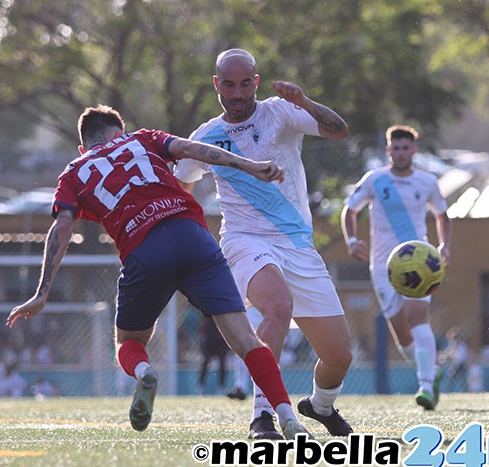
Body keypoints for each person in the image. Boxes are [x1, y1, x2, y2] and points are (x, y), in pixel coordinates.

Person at [6, 104, 311, 439]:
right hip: (193, 235)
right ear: (119, 133)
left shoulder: (74, 171)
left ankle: (144, 371)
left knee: (129, 340)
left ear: (83, 147)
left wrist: (43, 290)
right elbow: (192, 149)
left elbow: (62, 226)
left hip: (145, 248)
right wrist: (249, 165)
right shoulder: (142, 139)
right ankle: (286, 416)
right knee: (245, 340)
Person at [175, 48, 354, 438]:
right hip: (245, 241)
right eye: (229, 84)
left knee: (339, 356)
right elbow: (181, 187)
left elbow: (339, 129)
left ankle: (320, 406)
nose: (237, 93)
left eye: (244, 84)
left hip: (298, 247)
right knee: (276, 307)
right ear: (216, 84)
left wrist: (303, 100)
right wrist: (188, 239)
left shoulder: (280, 112)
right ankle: (262, 415)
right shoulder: (206, 137)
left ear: (255, 82)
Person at [341, 125, 451, 410]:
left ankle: (426, 385)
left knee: (419, 319)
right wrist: (352, 240)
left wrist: (444, 245)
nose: (401, 153)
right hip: (384, 266)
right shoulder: (375, 180)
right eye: (396, 148)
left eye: (406, 148)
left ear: (413, 150)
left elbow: (442, 215)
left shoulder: (427, 182)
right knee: (401, 334)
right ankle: (431, 371)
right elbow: (350, 211)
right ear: (388, 150)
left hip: (421, 263)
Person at [197, 315, 230, 395]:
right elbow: (202, 326)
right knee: (205, 362)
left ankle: (221, 387)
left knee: (222, 363)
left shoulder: (222, 312)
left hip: (220, 339)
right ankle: (200, 387)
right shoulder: (207, 314)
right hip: (210, 338)